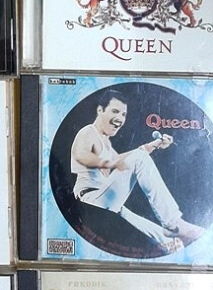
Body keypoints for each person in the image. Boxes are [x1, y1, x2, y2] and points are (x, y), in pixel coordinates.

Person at [70, 89, 205, 253]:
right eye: (115, 111)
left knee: (158, 233)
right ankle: (173, 222)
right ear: (100, 110)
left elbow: (123, 159)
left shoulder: (106, 143)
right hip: (89, 199)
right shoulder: (88, 131)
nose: (120, 118)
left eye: (123, 114)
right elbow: (81, 155)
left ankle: (171, 240)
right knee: (139, 158)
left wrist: (153, 145)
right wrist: (109, 162)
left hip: (105, 200)